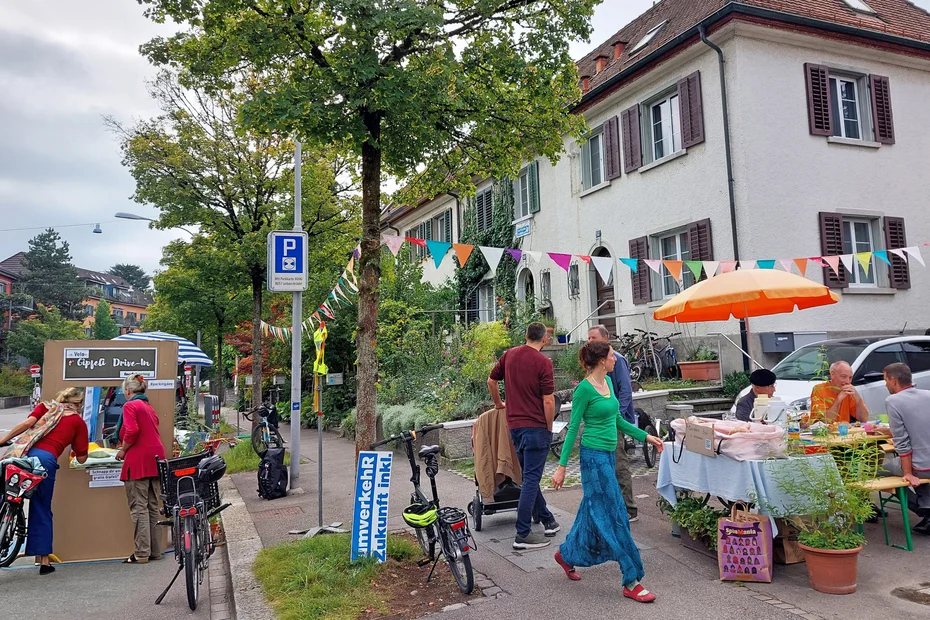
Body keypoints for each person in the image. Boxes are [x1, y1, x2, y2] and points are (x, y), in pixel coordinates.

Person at [551, 342, 664, 603]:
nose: (615, 359)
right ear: (602, 360)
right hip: (592, 460)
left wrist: (647, 436)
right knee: (615, 514)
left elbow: (617, 421)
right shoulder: (583, 390)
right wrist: (561, 467)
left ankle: (565, 555)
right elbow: (573, 429)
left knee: (592, 511)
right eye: (612, 355)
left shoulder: (608, 384)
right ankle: (631, 579)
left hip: (609, 456)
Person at [0, 388, 89, 574]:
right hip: (45, 461)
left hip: (23, 454)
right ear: (79, 404)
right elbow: (82, 458)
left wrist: (4, 440)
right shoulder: (77, 422)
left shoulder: (45, 408)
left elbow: (27, 423)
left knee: (5, 491)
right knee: (41, 506)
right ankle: (44, 562)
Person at [488, 321, 560, 550]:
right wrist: (548, 427)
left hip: (515, 427)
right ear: (544, 339)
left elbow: (491, 380)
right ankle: (523, 534)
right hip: (536, 427)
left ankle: (547, 519)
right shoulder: (543, 362)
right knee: (531, 479)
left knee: (530, 476)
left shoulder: (509, 355)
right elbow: (548, 400)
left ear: (526, 335)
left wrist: (500, 404)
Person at [587, 325, 639, 522]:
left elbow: (625, 391)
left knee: (619, 463)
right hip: (599, 423)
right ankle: (611, 506)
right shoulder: (595, 363)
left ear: (606, 339)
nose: (590, 341)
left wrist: (619, 418)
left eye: (594, 338)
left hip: (614, 421)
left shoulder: (616, 360)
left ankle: (629, 508)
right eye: (589, 338)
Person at [115, 374, 167, 564]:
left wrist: (123, 450)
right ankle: (156, 550)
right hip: (156, 457)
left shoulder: (130, 406)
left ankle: (142, 552)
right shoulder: (148, 406)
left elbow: (132, 430)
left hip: (138, 459)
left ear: (127, 391)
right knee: (153, 505)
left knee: (139, 507)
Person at [879, 363, 930, 534]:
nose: (885, 384)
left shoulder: (893, 401)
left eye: (885, 379)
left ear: (893, 380)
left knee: (876, 472)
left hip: (921, 467)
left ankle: (925, 509)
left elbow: (902, 443)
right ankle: (926, 503)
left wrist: (908, 472)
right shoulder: (927, 395)